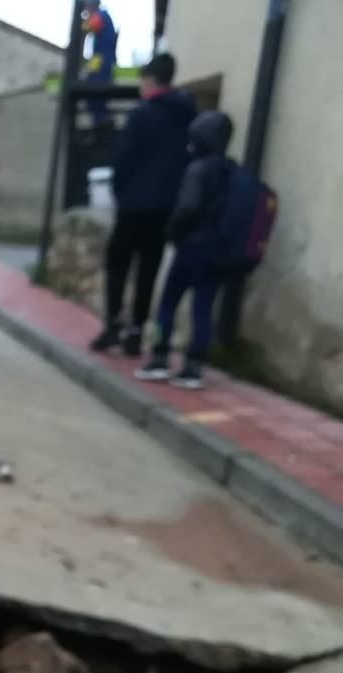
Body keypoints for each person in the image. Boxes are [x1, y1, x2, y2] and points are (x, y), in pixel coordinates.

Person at [90, 53, 196, 357]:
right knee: (148, 269)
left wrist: (121, 194)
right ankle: (136, 331)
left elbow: (122, 159)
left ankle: (113, 325)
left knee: (118, 264)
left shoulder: (141, 114)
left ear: (149, 80)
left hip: (135, 204)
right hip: (166, 207)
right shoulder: (186, 115)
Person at [135, 111, 237, 390]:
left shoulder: (198, 169)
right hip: (218, 252)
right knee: (203, 309)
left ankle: (158, 358)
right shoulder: (232, 172)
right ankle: (194, 368)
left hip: (192, 247)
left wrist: (171, 231)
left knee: (167, 304)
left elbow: (188, 208)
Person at [82, 0, 119, 126]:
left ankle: (103, 120)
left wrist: (83, 20)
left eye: (87, 7)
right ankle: (100, 120)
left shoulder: (101, 15)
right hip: (99, 60)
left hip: (104, 61)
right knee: (88, 88)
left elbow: (87, 28)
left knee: (93, 90)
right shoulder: (100, 15)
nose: (86, 10)